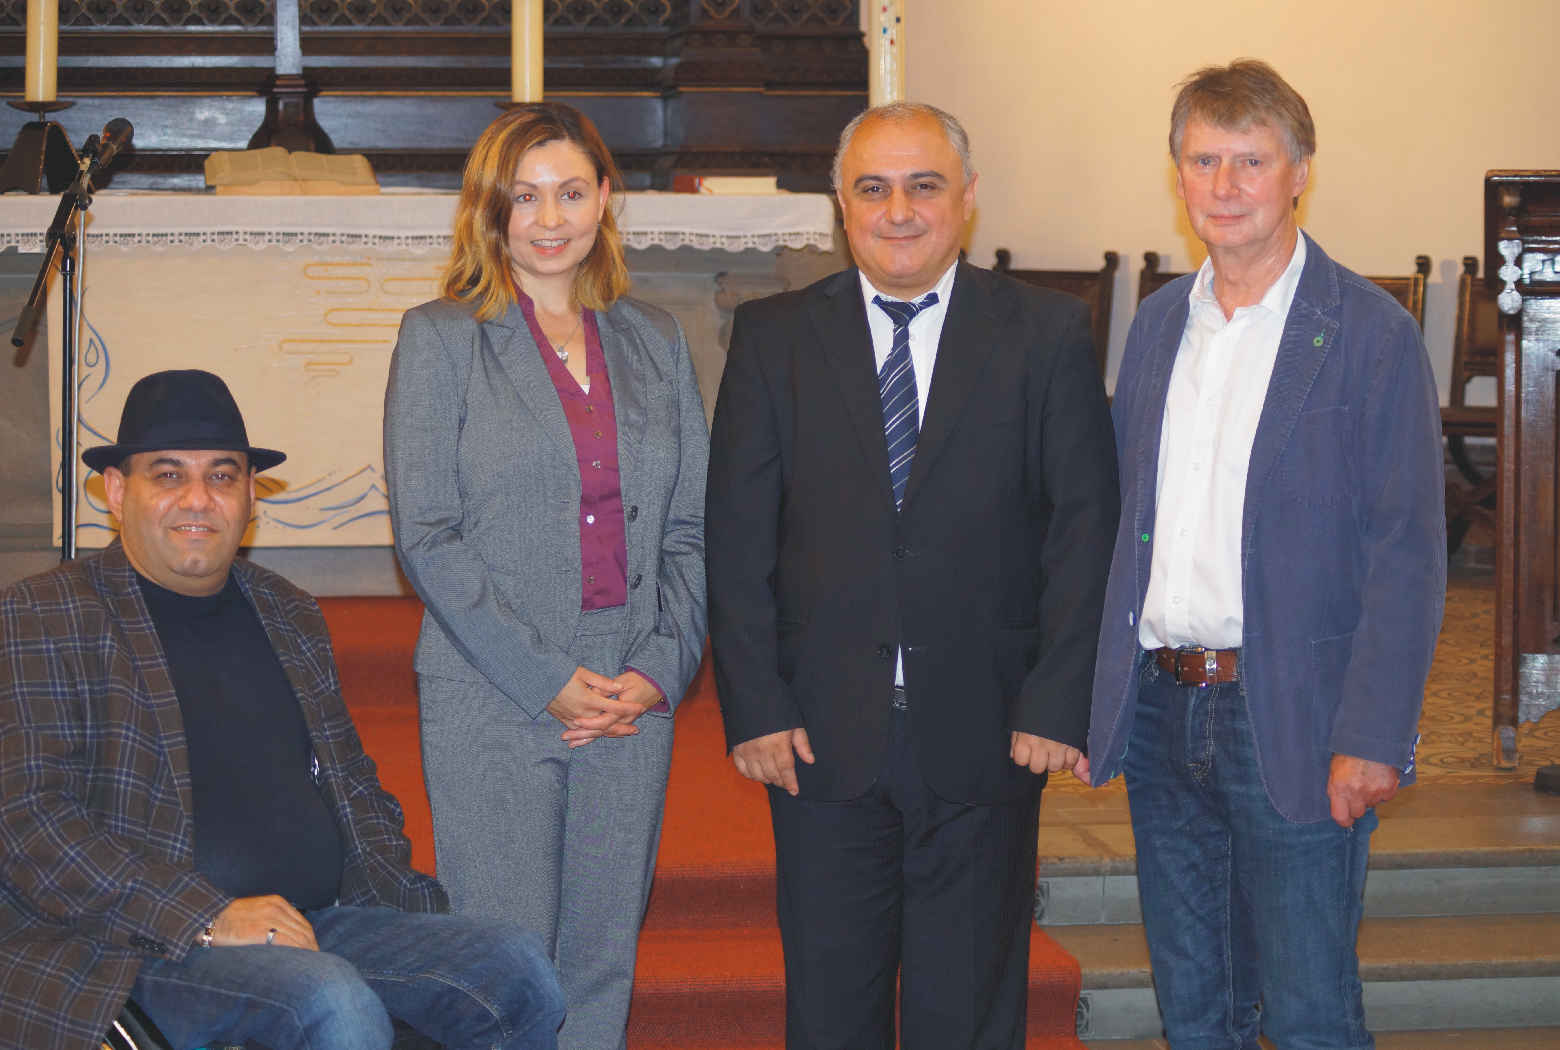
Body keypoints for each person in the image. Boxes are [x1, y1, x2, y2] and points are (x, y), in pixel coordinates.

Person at [705, 101, 1119, 1050]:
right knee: (830, 1006)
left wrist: (1057, 702)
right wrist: (756, 704)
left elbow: (1083, 528)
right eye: (873, 188)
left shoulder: (1046, 333)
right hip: (816, 737)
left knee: (968, 1009)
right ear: (839, 206)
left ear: (966, 200)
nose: (899, 210)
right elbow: (735, 536)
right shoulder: (774, 337)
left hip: (988, 728)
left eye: (923, 185)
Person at [0, 368, 564, 1050]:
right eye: (169, 475)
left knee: (515, 968)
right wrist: (207, 914)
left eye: (223, 475)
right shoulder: (42, 614)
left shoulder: (286, 609)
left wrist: (414, 918)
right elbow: (29, 820)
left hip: (315, 922)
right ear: (118, 491)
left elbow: (354, 784)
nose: (199, 500)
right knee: (328, 1001)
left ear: (249, 495)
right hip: (141, 944)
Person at [1085, 60, 1446, 1049]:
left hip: (1292, 711)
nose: (1227, 184)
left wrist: (1375, 733)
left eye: (1252, 159)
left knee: (1309, 1011)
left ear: (1300, 173)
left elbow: (1406, 554)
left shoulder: (1370, 332)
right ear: (1178, 175)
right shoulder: (1159, 327)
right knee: (1197, 1012)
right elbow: (1126, 526)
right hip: (1164, 713)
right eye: (1205, 160)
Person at [383, 102, 708, 1050]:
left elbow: (690, 526)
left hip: (628, 687)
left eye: (571, 192)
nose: (551, 218)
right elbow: (428, 535)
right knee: (508, 958)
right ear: (490, 210)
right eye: (525, 198)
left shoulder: (654, 337)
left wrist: (658, 667)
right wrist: (545, 680)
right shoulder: (441, 337)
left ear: (606, 199)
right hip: (496, 685)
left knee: (602, 951)